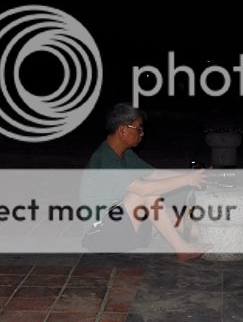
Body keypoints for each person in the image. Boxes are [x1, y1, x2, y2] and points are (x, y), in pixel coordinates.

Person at [80, 103, 212, 260]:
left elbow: (154, 174)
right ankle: (182, 248)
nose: (142, 133)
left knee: (166, 214)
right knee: (146, 194)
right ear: (123, 130)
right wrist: (187, 180)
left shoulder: (124, 153)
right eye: (139, 128)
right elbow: (143, 189)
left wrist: (196, 176)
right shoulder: (105, 159)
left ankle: (213, 236)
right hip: (100, 237)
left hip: (122, 230)